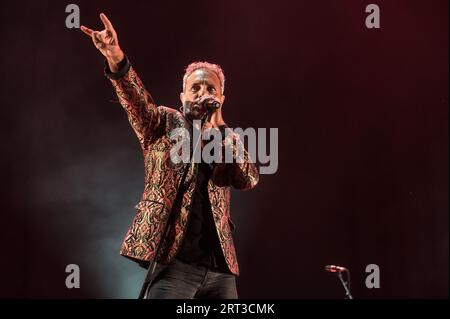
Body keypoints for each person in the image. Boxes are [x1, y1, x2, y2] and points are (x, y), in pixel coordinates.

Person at [81, 13, 259, 299]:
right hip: (175, 264)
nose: (203, 93)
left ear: (221, 98)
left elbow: (247, 179)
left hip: (220, 271)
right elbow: (135, 100)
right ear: (182, 96)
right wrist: (116, 57)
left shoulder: (227, 138)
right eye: (195, 87)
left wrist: (221, 128)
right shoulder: (163, 123)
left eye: (210, 88)